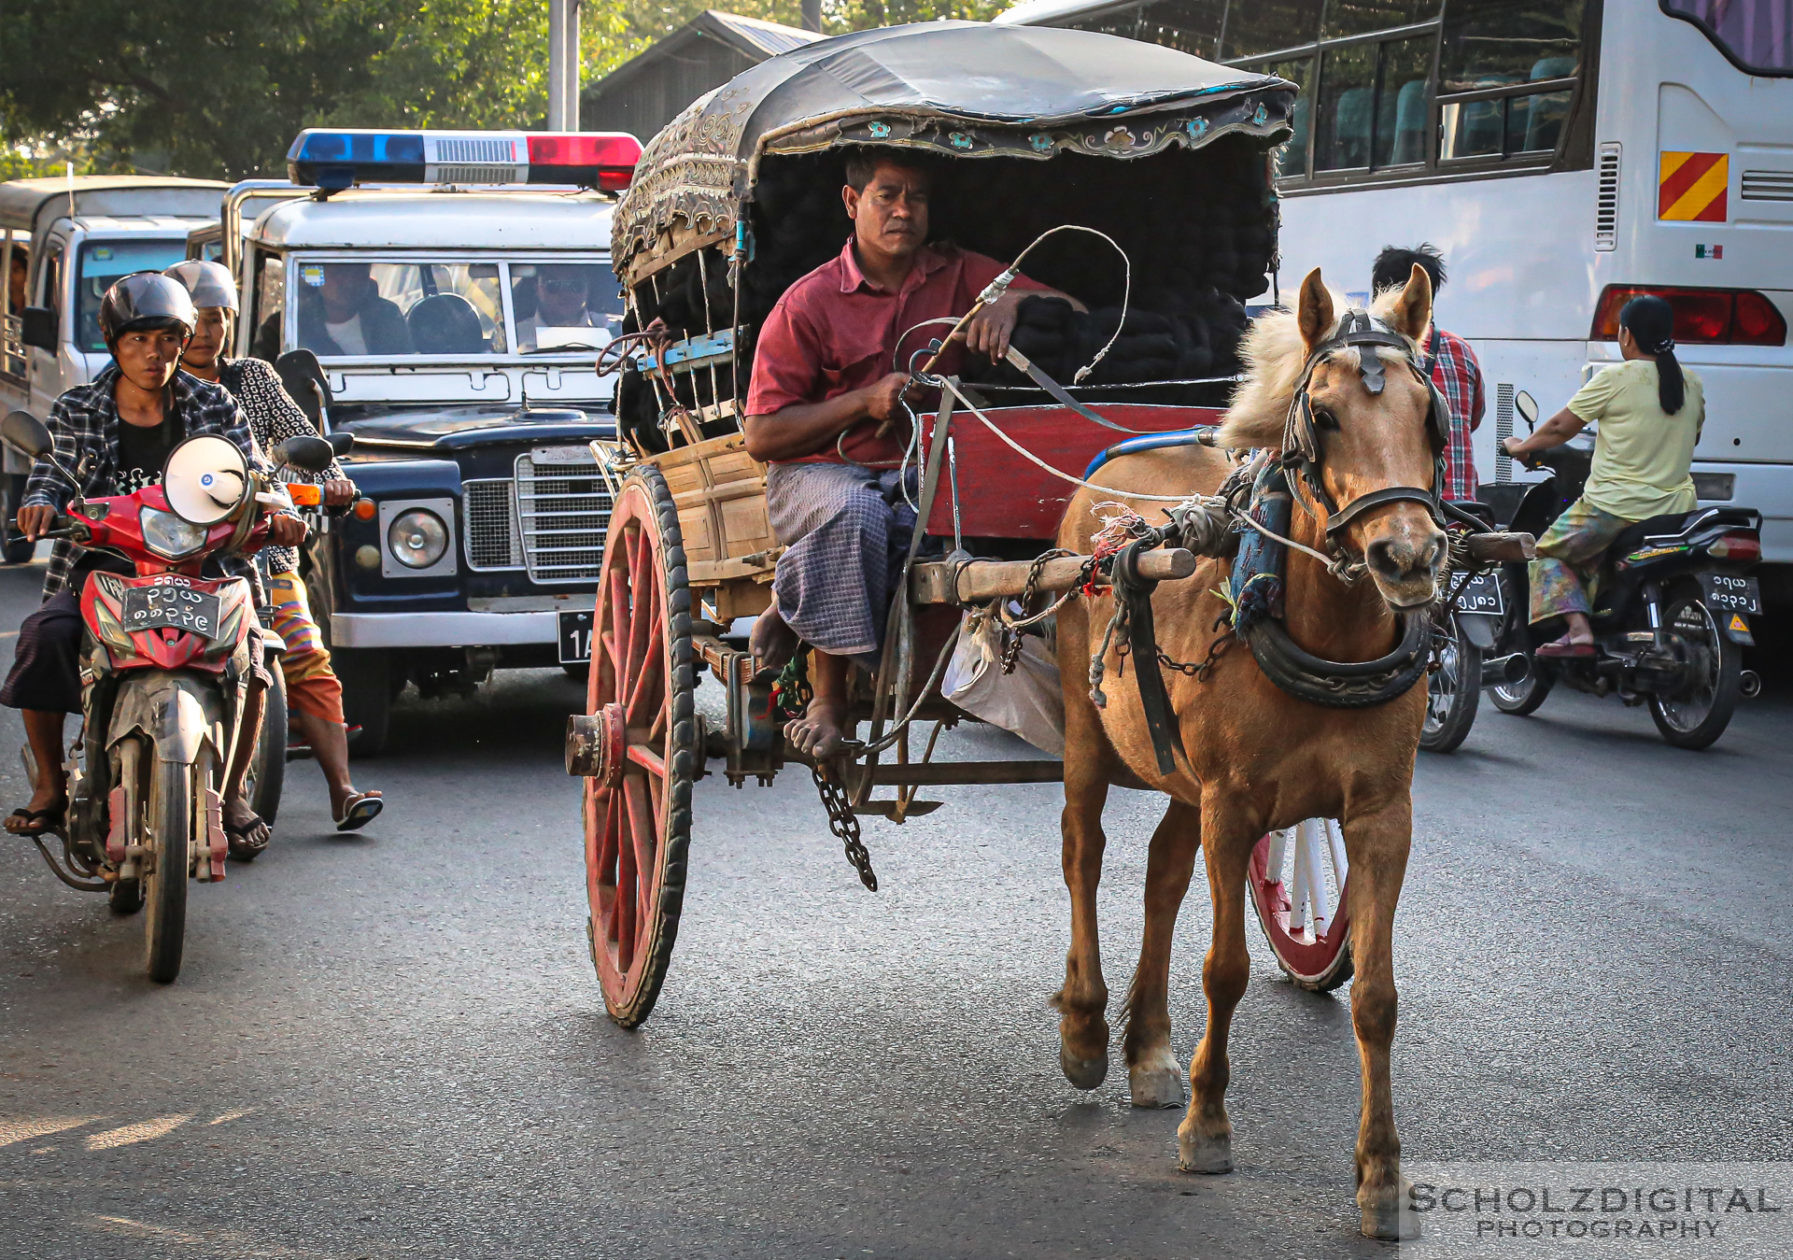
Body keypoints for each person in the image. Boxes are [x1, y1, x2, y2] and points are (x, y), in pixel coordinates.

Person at [742, 150, 1081, 757]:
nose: (904, 210)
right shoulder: (808, 302)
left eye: (917, 198)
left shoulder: (961, 275)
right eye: (887, 195)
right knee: (857, 516)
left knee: (1003, 518)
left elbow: (1074, 309)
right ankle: (829, 698)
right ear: (852, 204)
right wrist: (862, 402)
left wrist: (1013, 303)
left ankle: (795, 606)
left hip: (926, 475)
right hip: (819, 475)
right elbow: (762, 436)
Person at [1, 273, 304, 854]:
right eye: (138, 339)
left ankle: (234, 789)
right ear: (115, 343)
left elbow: (256, 475)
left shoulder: (213, 402)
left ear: (182, 340)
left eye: (167, 338)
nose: (154, 353)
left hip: (204, 567)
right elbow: (53, 469)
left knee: (256, 653)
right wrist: (39, 502)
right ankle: (48, 784)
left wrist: (281, 510)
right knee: (43, 636)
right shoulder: (80, 406)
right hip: (107, 568)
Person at [165, 260, 384, 832]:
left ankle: (341, 788)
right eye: (199, 320)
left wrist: (333, 477)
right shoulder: (151, 386)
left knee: (307, 656)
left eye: (220, 319)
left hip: (262, 549)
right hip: (173, 557)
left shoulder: (254, 379)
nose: (210, 332)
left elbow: (297, 437)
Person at [1502, 294, 1703, 657]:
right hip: (1676, 511)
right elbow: (1692, 436)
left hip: (1614, 508)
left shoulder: (1617, 378)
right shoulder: (1690, 383)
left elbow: (1561, 427)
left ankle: (1578, 632)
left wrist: (1521, 446)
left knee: (1545, 552)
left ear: (1627, 336)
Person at [1370, 244, 1484, 501]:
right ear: (1428, 296)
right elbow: (1472, 420)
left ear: (1378, 292)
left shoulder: (1366, 353)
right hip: (1463, 510)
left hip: (1398, 514)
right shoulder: (1461, 350)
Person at [297, 262, 412, 356]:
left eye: (358, 274)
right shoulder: (295, 323)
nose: (349, 282)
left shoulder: (387, 316)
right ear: (320, 278)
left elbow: (405, 367)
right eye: (338, 274)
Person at [515, 264, 605, 351]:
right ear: (537, 289)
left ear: (588, 287)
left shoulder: (612, 328)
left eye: (576, 285)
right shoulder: (515, 336)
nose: (565, 294)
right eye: (553, 285)